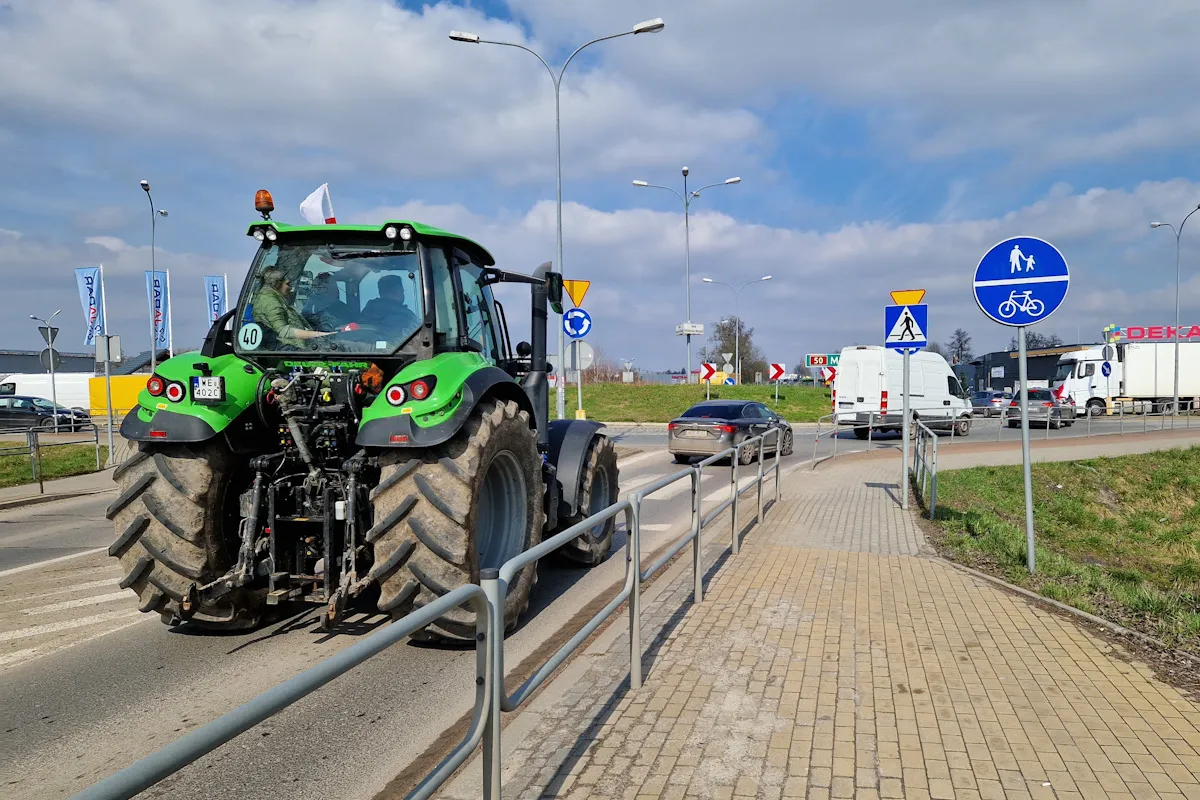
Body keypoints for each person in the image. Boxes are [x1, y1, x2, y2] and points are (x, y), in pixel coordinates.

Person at [252, 268, 335, 348]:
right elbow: (283, 331)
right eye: (288, 284)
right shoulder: (269, 301)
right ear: (277, 284)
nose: (291, 288)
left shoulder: (276, 299)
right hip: (286, 350)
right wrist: (318, 334)